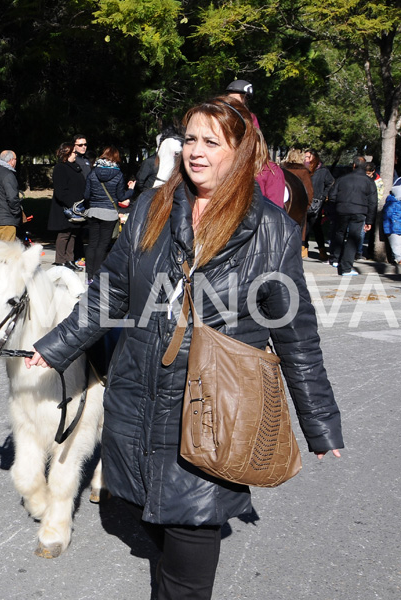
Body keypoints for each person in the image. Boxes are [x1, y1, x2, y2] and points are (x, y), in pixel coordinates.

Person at [25, 96, 343, 600]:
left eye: (211, 142)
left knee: (188, 564)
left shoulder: (272, 231)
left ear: (240, 152)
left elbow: (296, 334)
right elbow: (111, 291)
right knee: (152, 528)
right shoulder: (152, 207)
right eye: (190, 138)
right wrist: (58, 344)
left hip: (214, 411)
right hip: (139, 398)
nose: (195, 151)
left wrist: (320, 423)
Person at [224, 79, 286, 206]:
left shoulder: (250, 118)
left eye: (238, 99)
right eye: (231, 98)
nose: (233, 103)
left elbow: (254, 141)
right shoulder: (220, 117)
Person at [83, 146, 133, 278]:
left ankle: (88, 275)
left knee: (92, 243)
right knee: (103, 245)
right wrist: (131, 189)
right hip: (109, 214)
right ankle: (97, 274)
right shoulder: (118, 174)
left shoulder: (92, 173)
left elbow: (86, 195)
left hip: (93, 211)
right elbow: (121, 197)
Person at [327, 156, 377, 276]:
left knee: (339, 233)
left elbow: (332, 196)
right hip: (359, 211)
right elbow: (373, 202)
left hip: (342, 210)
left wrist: (334, 209)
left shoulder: (342, 179)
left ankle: (335, 259)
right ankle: (346, 267)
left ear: (353, 165)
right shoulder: (369, 182)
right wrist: (370, 220)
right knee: (353, 238)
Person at [48, 142, 85, 271]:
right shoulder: (61, 168)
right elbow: (60, 191)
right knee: (64, 234)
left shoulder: (76, 167)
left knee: (73, 234)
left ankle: (69, 259)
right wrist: (72, 204)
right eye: (74, 152)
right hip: (65, 208)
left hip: (77, 207)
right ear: (68, 153)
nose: (76, 154)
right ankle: (60, 260)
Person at [281, 148, 315, 254]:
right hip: (298, 209)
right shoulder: (303, 172)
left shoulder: (281, 170)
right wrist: (306, 207)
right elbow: (309, 193)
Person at [304, 149, 334, 262]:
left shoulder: (323, 171)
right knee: (304, 225)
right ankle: (304, 247)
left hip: (317, 201)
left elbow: (330, 183)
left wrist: (323, 195)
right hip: (305, 200)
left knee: (316, 225)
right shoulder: (304, 169)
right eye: (305, 157)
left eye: (308, 157)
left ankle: (322, 250)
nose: (305, 159)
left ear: (314, 157)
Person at [382, 183, 401, 264]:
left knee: (396, 246)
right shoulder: (395, 204)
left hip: (392, 226)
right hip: (394, 226)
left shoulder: (391, 200)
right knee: (397, 246)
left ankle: (398, 258)